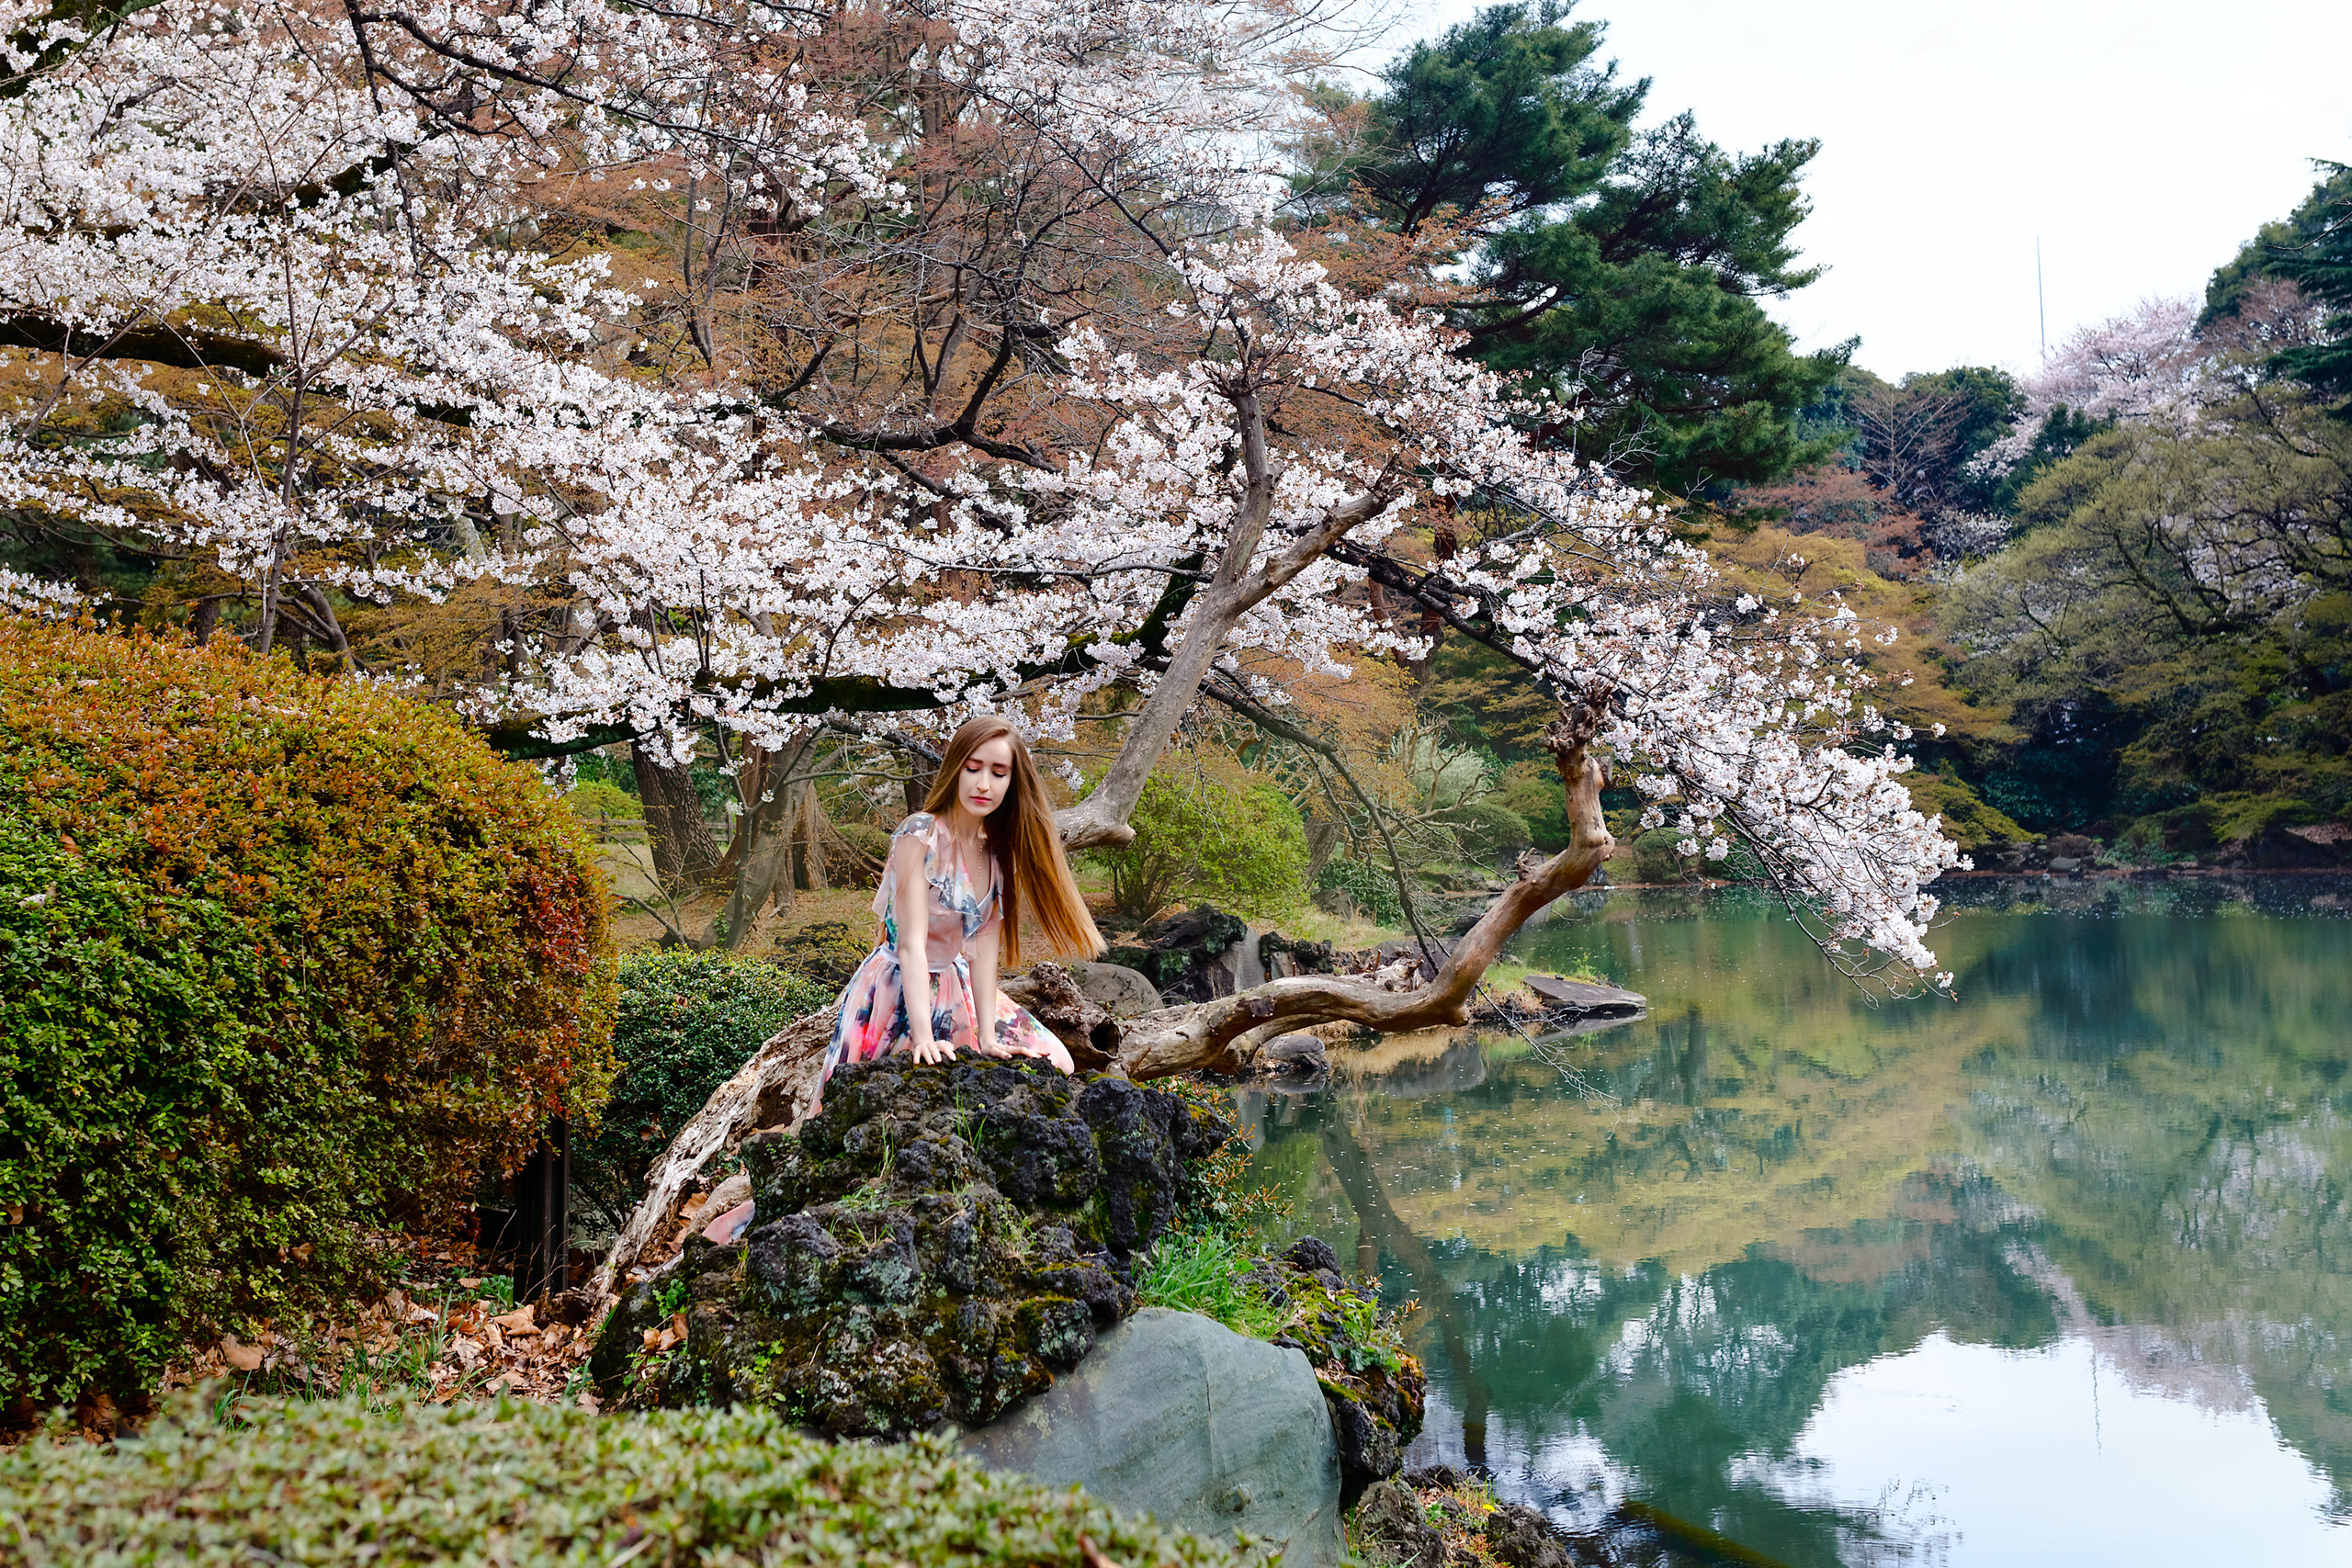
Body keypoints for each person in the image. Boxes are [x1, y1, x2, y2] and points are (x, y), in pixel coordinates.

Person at [820, 715, 1104, 1095]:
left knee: (1056, 1059)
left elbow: (984, 955)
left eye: (999, 773)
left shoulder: (997, 853)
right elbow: (910, 945)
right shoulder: (921, 834)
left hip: (956, 984)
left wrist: (987, 1036)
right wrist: (922, 1036)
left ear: (1012, 782)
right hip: (898, 985)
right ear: (956, 770)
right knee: (908, 1084)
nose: (983, 784)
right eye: (973, 768)